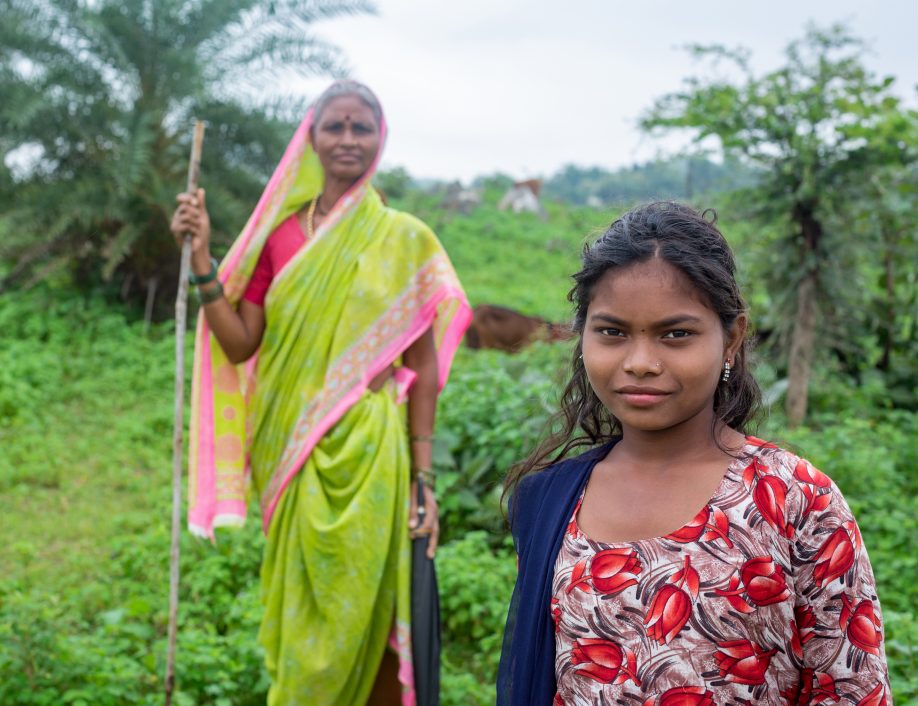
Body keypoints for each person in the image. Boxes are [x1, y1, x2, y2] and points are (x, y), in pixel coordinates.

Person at [497, 202, 891, 705]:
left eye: (676, 334)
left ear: (731, 339)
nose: (640, 362)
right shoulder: (551, 499)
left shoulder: (794, 500)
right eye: (612, 332)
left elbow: (853, 690)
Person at [171, 80, 471, 706]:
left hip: (373, 456)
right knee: (306, 609)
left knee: (379, 608)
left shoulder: (403, 238)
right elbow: (238, 342)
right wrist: (202, 259)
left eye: (362, 127)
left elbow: (421, 367)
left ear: (379, 139)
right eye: (335, 126)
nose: (348, 139)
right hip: (290, 451)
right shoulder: (279, 236)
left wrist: (424, 480)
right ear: (310, 137)